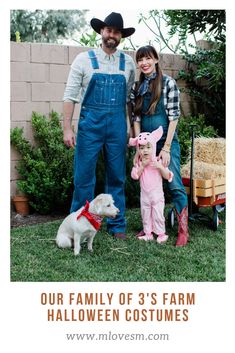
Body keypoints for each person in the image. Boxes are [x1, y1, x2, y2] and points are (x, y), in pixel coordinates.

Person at [63, 12, 136, 240]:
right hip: (90, 127)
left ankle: (117, 225)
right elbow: (70, 96)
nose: (111, 35)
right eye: (108, 30)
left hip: (116, 126)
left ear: (121, 36)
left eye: (116, 32)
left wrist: (130, 130)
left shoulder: (129, 63)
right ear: (101, 32)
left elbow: (128, 99)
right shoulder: (83, 60)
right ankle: (80, 224)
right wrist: (67, 128)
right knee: (84, 178)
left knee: (116, 177)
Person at [131, 45, 189, 246]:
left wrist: (166, 148)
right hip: (146, 145)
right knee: (147, 187)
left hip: (165, 143)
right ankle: (149, 227)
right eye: (140, 60)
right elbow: (136, 118)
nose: (144, 63)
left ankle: (183, 229)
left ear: (155, 59)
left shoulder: (168, 83)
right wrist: (139, 147)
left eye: (147, 58)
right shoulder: (137, 87)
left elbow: (174, 118)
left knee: (173, 184)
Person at [129, 127, 174, 243]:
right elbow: (134, 176)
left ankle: (161, 234)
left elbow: (168, 175)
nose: (145, 151)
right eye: (142, 148)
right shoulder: (139, 163)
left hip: (157, 196)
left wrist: (160, 167)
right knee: (146, 214)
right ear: (138, 149)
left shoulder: (157, 161)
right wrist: (142, 166)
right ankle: (148, 233)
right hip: (145, 196)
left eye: (148, 147)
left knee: (158, 214)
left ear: (153, 147)